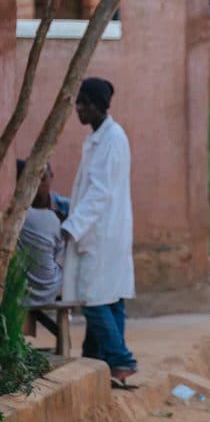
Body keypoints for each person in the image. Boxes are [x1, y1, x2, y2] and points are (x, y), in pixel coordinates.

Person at [62, 78, 138, 385]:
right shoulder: (99, 138)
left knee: (94, 299)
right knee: (111, 299)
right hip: (104, 232)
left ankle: (121, 361)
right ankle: (98, 364)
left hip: (102, 233)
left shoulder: (112, 139)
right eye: (77, 102)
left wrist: (72, 226)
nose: (79, 108)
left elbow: (99, 192)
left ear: (98, 106)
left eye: (85, 103)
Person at [16, 160, 64, 308]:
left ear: (51, 177)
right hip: (51, 289)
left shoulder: (64, 208)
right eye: (34, 180)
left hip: (25, 291)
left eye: (42, 179)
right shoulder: (49, 218)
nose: (38, 185)